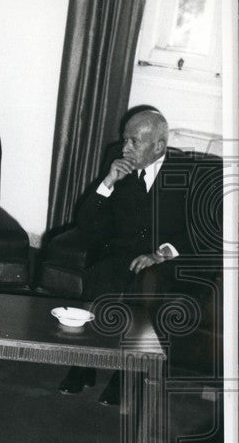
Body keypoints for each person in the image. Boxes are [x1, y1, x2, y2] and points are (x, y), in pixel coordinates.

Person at [59, 108, 210, 405]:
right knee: (100, 277)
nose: (125, 147)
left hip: (164, 261)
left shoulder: (189, 172)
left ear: (159, 146)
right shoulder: (118, 162)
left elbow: (203, 230)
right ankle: (83, 365)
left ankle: (126, 374)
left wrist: (161, 254)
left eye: (133, 142)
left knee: (147, 284)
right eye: (124, 139)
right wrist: (108, 182)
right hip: (122, 255)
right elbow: (86, 223)